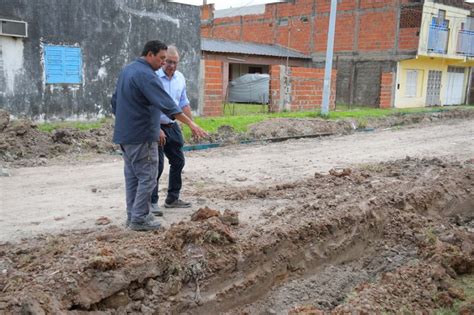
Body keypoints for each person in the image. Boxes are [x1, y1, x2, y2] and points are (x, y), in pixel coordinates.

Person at [112, 40, 207, 231]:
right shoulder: (147, 75)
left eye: (168, 60)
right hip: (143, 136)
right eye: (162, 58)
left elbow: (115, 102)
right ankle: (140, 218)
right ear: (150, 55)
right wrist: (190, 123)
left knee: (133, 178)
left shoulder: (127, 70)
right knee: (148, 177)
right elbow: (167, 104)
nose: (163, 63)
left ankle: (133, 216)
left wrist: (127, 121)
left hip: (125, 135)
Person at [150, 45, 194, 215]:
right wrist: (156, 128)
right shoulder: (153, 77)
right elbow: (149, 106)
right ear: (162, 60)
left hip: (172, 124)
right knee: (157, 165)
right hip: (156, 126)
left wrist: (192, 125)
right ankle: (151, 202)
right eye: (168, 61)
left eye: (175, 62)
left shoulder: (180, 78)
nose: (172, 66)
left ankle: (172, 198)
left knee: (178, 161)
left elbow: (183, 102)